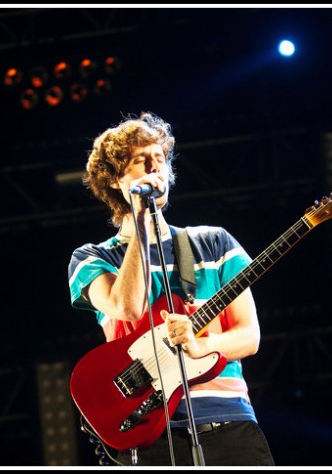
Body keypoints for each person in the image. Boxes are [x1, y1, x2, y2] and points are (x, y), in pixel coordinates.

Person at [67, 112, 275, 466]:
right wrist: (141, 222)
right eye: (139, 161)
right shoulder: (91, 258)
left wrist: (202, 345)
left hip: (230, 424)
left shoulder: (216, 242)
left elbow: (249, 336)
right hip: (147, 429)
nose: (154, 167)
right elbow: (128, 307)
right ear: (116, 181)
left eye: (159, 159)